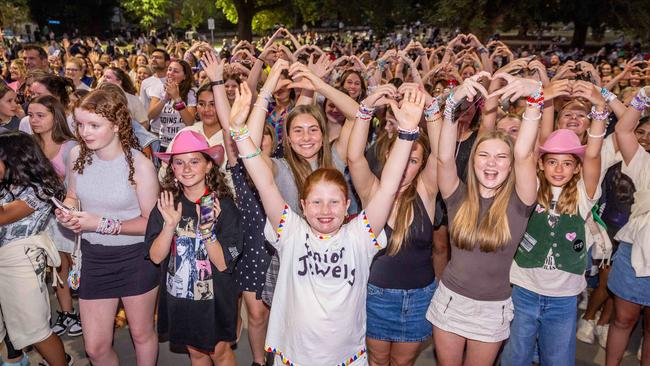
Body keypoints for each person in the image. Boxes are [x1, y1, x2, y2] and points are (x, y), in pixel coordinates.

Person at [230, 79, 426, 365]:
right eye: (316, 202)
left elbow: (387, 188)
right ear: (302, 206)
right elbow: (265, 184)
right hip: (293, 357)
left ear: (347, 204)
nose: (325, 210)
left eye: (334, 202)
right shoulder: (290, 232)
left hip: (347, 359)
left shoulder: (361, 234)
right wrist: (238, 130)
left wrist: (408, 134)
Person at [427, 74, 539, 366]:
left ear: (510, 164)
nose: (491, 163)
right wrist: (452, 105)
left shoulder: (520, 202)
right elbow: (444, 159)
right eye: (484, 155)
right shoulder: (457, 196)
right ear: (473, 160)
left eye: (501, 157)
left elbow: (525, 153)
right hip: (449, 302)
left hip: (492, 310)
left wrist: (536, 99)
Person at [501, 81, 608, 365]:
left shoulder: (584, 196)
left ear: (576, 168)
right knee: (516, 356)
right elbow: (522, 153)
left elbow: (594, 153)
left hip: (564, 296)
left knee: (558, 358)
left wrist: (599, 107)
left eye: (567, 163)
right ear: (541, 164)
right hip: (524, 288)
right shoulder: (531, 188)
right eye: (552, 162)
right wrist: (537, 101)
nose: (559, 169)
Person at [55, 89, 160, 366]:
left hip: (136, 258)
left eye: (94, 125)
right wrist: (67, 211)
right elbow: (73, 195)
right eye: (79, 124)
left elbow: (151, 224)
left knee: (141, 334)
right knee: (95, 348)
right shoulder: (77, 154)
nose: (84, 132)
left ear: (116, 125)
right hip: (94, 258)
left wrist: (102, 224)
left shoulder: (140, 165)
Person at [347, 83, 443, 366]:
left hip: (418, 298)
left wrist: (431, 108)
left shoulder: (426, 191)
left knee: (403, 363)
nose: (405, 166)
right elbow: (354, 157)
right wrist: (365, 109)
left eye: (414, 161)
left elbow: (441, 156)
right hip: (375, 295)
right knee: (376, 360)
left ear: (420, 165)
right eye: (403, 157)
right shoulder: (372, 191)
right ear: (389, 155)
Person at [147, 130, 242, 366]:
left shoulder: (222, 206)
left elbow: (222, 263)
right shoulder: (167, 204)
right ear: (172, 169)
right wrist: (169, 225)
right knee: (196, 354)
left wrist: (207, 230)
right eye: (179, 162)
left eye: (194, 161)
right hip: (181, 297)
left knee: (219, 353)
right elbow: (156, 257)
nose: (186, 168)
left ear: (209, 166)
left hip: (215, 299)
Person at [0, 130, 70, 366]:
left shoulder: (39, 189)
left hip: (21, 261)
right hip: (7, 259)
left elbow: (3, 216)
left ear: (13, 159)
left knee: (35, 329)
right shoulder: (8, 184)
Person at [27, 95, 82, 338]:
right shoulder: (29, 144)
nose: (34, 120)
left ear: (55, 117)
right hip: (42, 216)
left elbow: (77, 185)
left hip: (70, 213)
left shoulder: (70, 146)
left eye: (41, 115)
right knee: (57, 265)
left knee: (78, 263)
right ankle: (67, 312)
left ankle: (90, 312)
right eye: (31, 115)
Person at [607, 86, 650, 365]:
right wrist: (643, 95)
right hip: (635, 253)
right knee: (624, 319)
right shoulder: (644, 163)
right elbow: (623, 131)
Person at [148, 59, 197, 149]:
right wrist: (164, 99)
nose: (170, 73)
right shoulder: (159, 89)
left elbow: (190, 122)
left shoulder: (191, 92)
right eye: (169, 69)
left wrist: (177, 98)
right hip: (162, 143)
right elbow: (151, 115)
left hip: (183, 143)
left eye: (176, 71)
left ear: (184, 76)